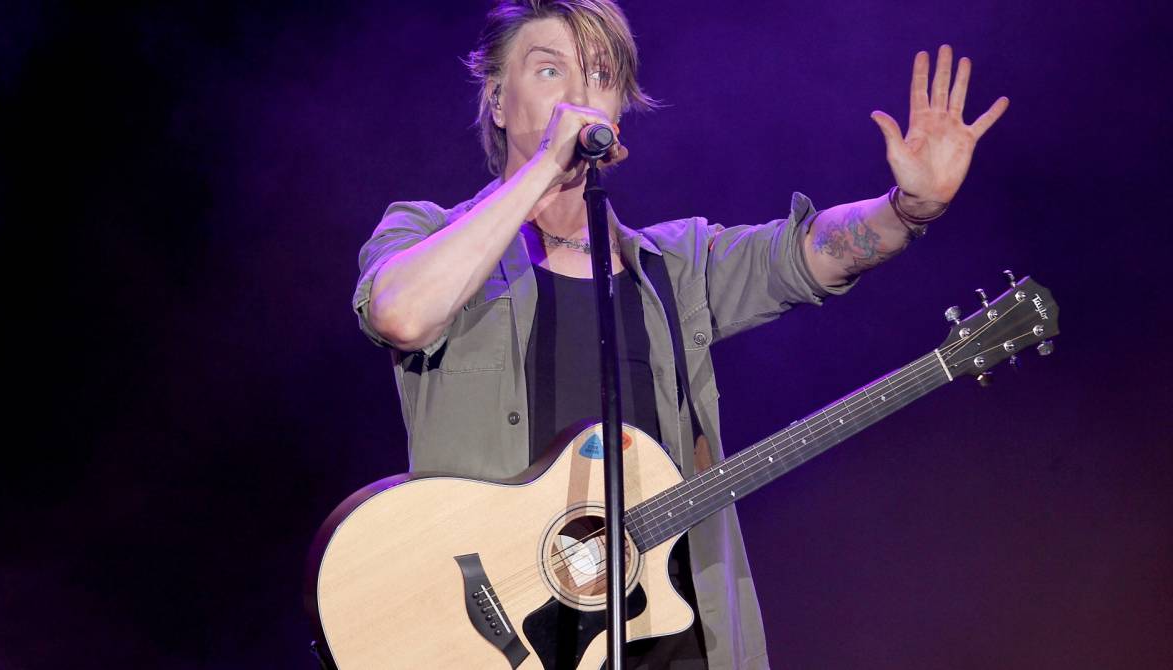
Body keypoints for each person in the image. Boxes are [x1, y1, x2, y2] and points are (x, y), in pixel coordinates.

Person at [352, 1, 1008, 667]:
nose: (580, 96)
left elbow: (807, 255)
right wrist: (540, 173)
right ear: (497, 100)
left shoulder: (677, 267)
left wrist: (906, 208)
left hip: (672, 642)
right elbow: (402, 314)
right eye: (550, 71)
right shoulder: (427, 236)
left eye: (600, 77)